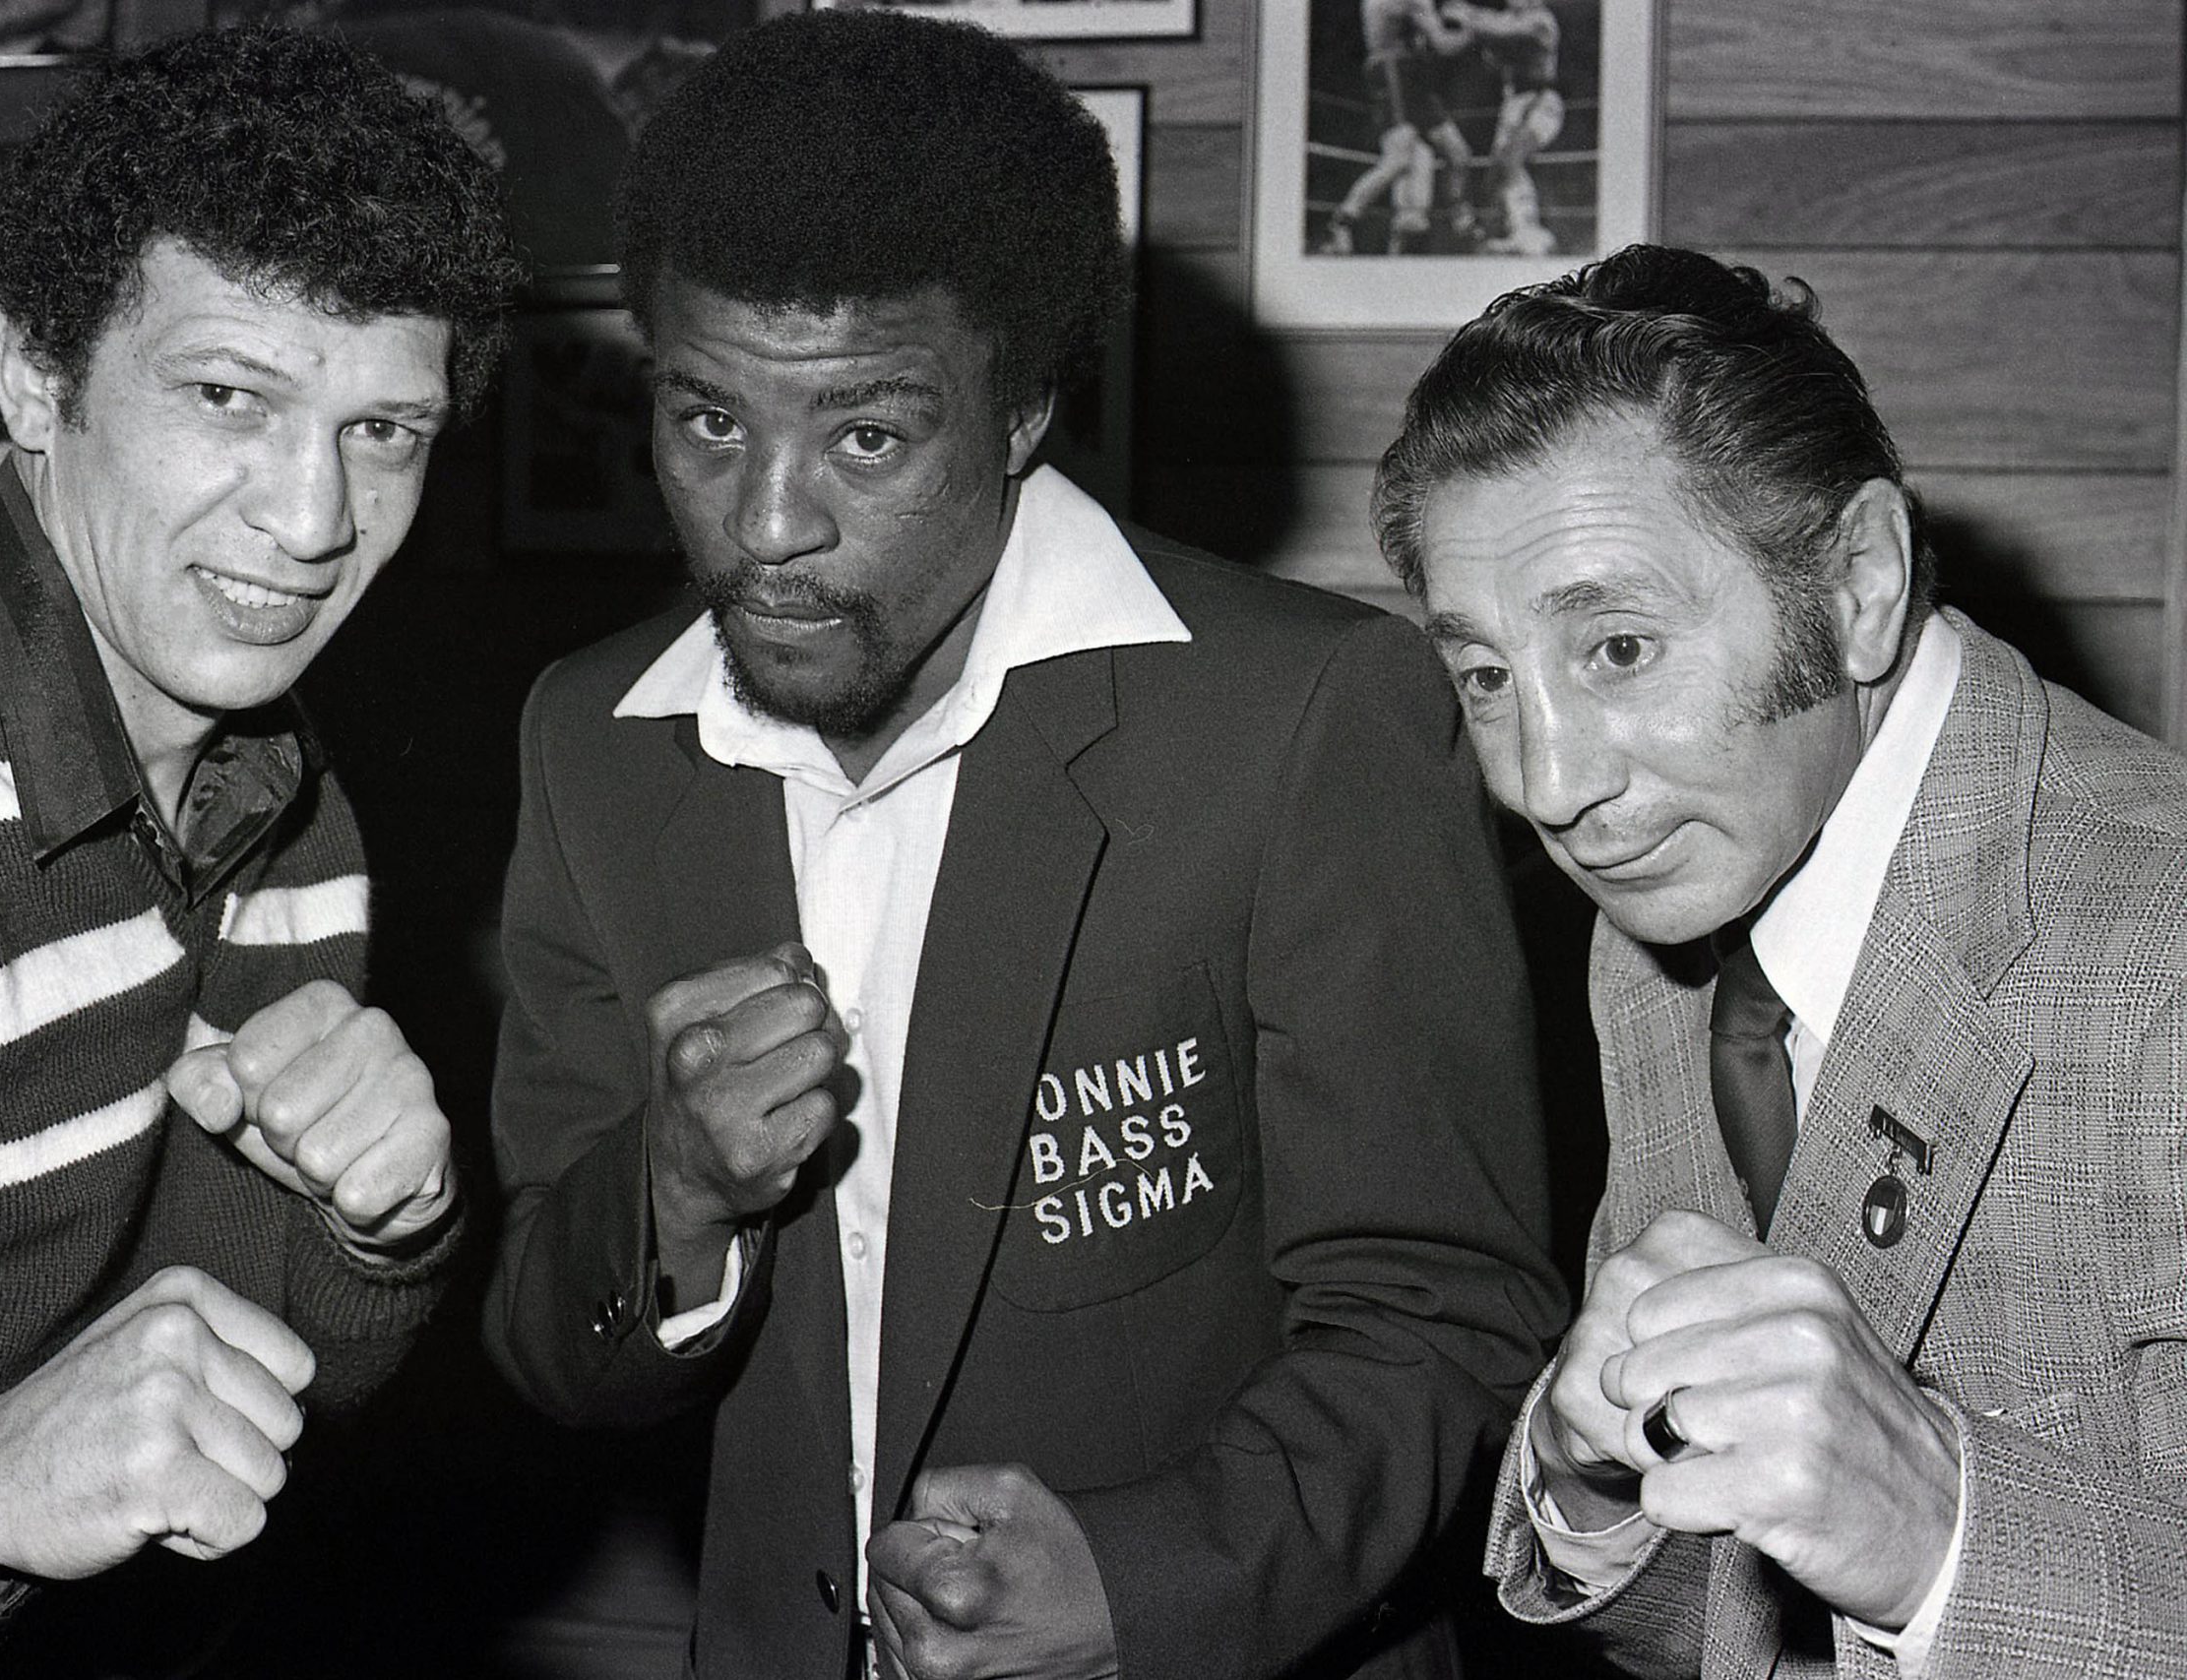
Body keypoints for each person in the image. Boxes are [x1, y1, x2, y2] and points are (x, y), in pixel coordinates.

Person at [484, 13, 1566, 1679]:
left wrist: (1144, 1586)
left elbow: (1448, 1321)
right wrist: (675, 1192)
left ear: (1021, 411)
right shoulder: (591, 741)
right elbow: (552, 1349)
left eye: (864, 436)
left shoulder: (1306, 717)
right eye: (708, 422)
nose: (765, 520)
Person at [0, 27, 517, 1674]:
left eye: (384, 432)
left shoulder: (279, 788)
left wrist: (376, 1229)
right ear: (33, 378)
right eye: (227, 395)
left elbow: (265, 1380)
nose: (315, 517)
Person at [1372, 243, 2187, 1677]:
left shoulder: (2162, 949)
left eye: (1617, 646)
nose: (1549, 783)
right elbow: (1741, 1633)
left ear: (1860, 581)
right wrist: (1595, 1481)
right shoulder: (1666, 920)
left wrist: (1946, 1532)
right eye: (1488, 675)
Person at [1325, 0, 1477, 255]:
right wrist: (1474, 28)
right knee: (1398, 160)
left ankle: (1462, 222)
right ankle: (1342, 221)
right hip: (1393, 71)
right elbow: (1443, 45)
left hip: (1409, 74)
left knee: (1458, 152)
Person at [1445, 0, 1563, 255]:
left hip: (1541, 102)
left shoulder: (1540, 19)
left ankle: (1529, 231)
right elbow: (1493, 46)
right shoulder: (1507, 18)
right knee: (1498, 173)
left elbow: (1503, 30)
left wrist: (1467, 16)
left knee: (1511, 160)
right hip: (1512, 104)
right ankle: (1515, 231)